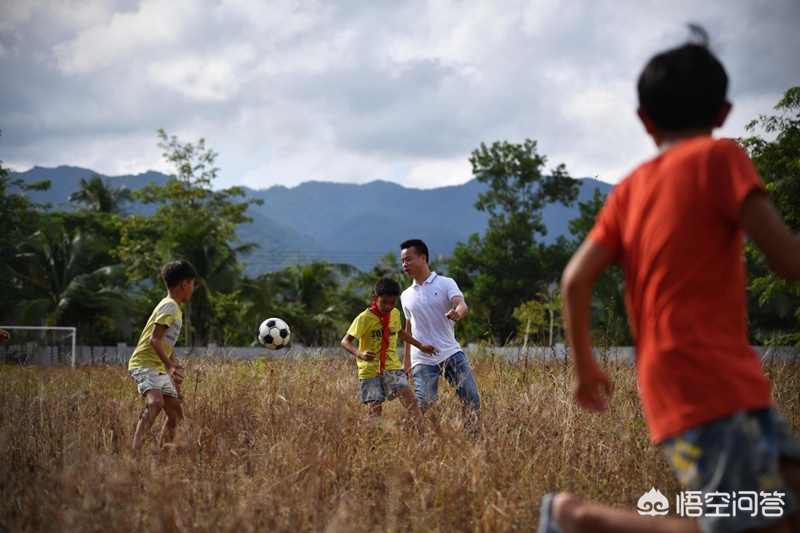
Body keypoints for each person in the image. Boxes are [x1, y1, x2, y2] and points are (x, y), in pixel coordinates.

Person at [539, 26, 800, 533]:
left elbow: (574, 281)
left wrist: (585, 368)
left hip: (700, 379)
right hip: (710, 382)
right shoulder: (721, 158)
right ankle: (576, 518)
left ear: (644, 119)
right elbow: (788, 261)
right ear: (724, 113)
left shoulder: (629, 190)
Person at [399, 238, 481, 429]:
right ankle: (418, 440)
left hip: (451, 353)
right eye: (402, 261)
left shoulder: (445, 283)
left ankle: (474, 440)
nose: (405, 265)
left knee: (471, 397)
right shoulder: (405, 295)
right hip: (423, 359)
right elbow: (408, 328)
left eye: (408, 259)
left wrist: (457, 313)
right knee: (426, 403)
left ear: (423, 258)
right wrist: (407, 360)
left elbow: (461, 304)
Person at [341, 277, 438, 433]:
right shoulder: (364, 318)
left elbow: (399, 332)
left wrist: (420, 345)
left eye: (392, 303)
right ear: (375, 298)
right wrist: (360, 353)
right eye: (384, 302)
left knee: (410, 399)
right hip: (370, 371)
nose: (388, 306)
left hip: (392, 367)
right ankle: (374, 443)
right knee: (375, 410)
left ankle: (424, 436)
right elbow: (345, 342)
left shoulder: (395, 314)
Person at [128, 259, 197, 453]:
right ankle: (135, 455)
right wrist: (170, 365)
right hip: (144, 363)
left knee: (175, 414)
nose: (192, 289)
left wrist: (175, 379)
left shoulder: (175, 309)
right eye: (192, 284)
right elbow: (154, 340)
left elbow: (168, 345)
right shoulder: (169, 306)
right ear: (185, 284)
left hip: (157, 366)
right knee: (156, 402)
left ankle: (162, 461)